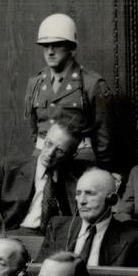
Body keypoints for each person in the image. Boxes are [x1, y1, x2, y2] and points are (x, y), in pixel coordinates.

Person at [23, 13, 118, 169]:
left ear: (71, 47)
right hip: (42, 159)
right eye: (45, 46)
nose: (50, 51)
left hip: (79, 162)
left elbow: (104, 139)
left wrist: (99, 172)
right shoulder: (35, 83)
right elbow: (35, 130)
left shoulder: (91, 84)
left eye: (57, 44)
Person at [0, 121, 81, 231]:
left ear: (72, 155)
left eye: (60, 151)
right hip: (14, 235)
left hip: (56, 239)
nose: (50, 153)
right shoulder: (9, 168)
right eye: (49, 143)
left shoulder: (79, 178)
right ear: (44, 139)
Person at [39, 168, 138, 267]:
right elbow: (38, 272)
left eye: (90, 193)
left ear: (112, 199)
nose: (82, 201)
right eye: (78, 193)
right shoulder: (57, 227)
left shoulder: (132, 239)